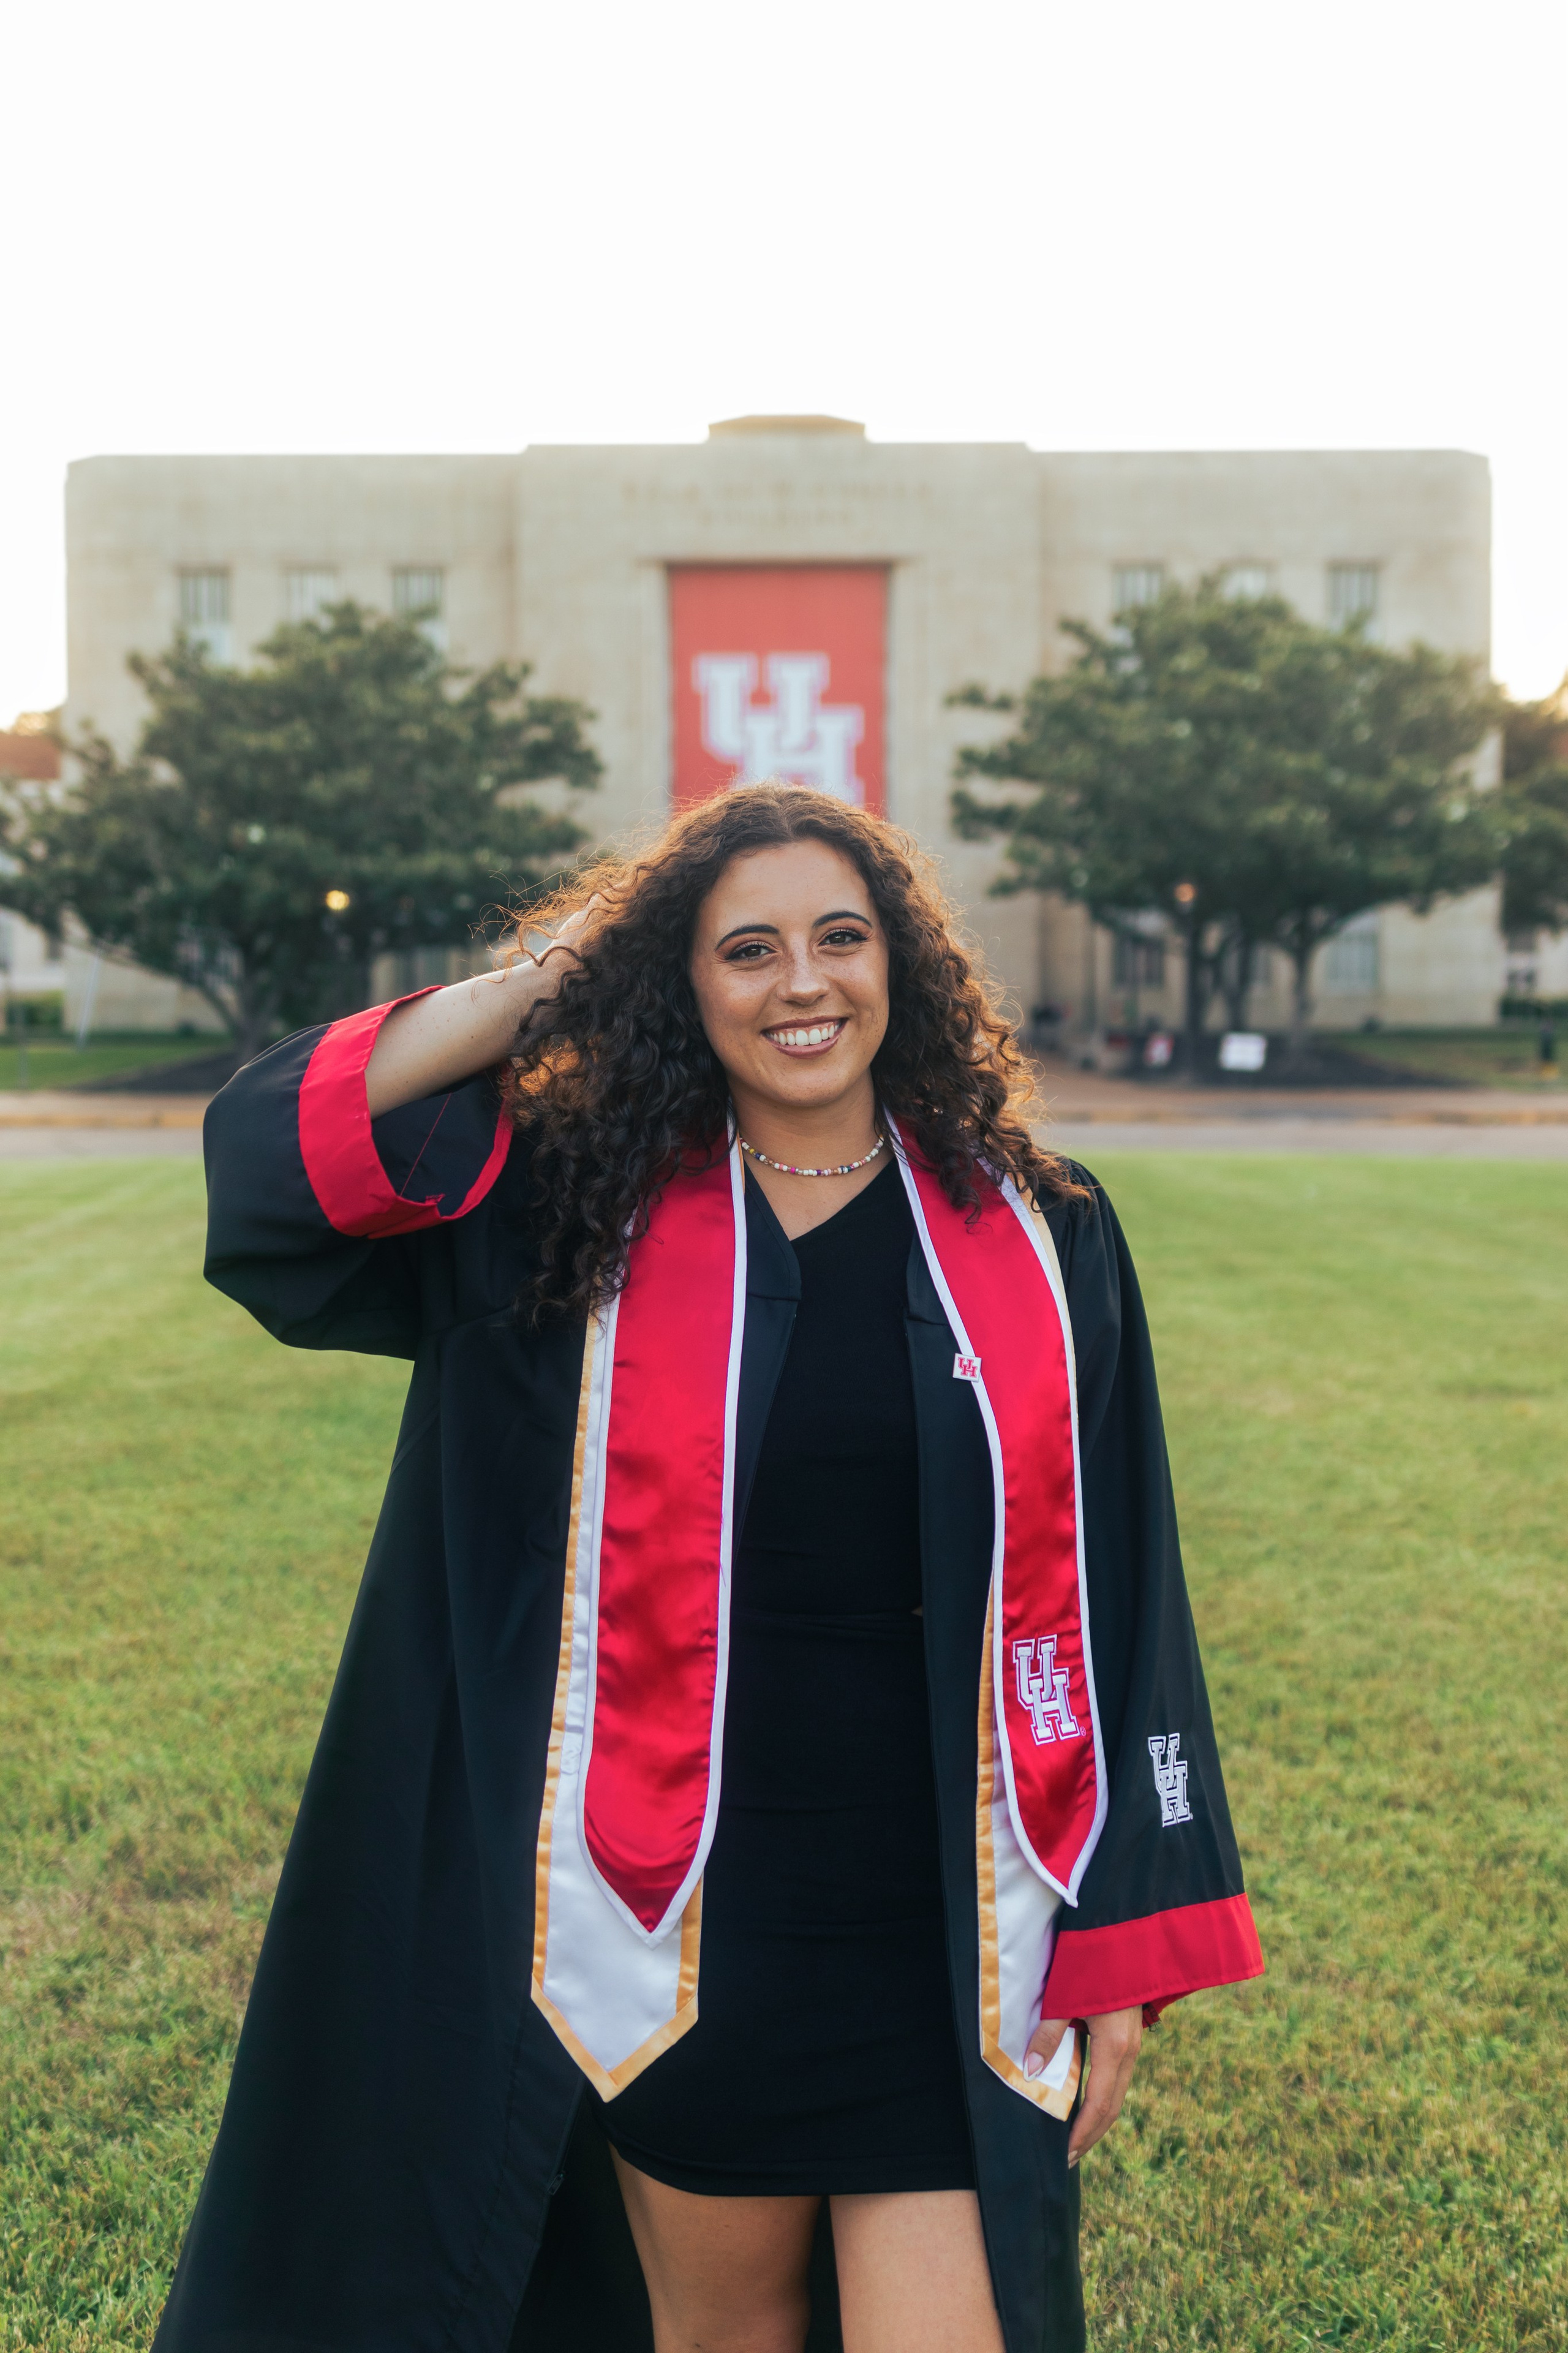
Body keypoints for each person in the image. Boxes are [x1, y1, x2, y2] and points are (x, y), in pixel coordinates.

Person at [157, 785, 1262, 2353]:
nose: (800, 983)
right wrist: (556, 973)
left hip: (951, 1920)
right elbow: (282, 1177)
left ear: (902, 964)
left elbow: (1124, 1580)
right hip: (678, 1923)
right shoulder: (567, 1225)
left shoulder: (1038, 1227)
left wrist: (1126, 1944)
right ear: (681, 984)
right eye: (742, 949)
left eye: (839, 939)